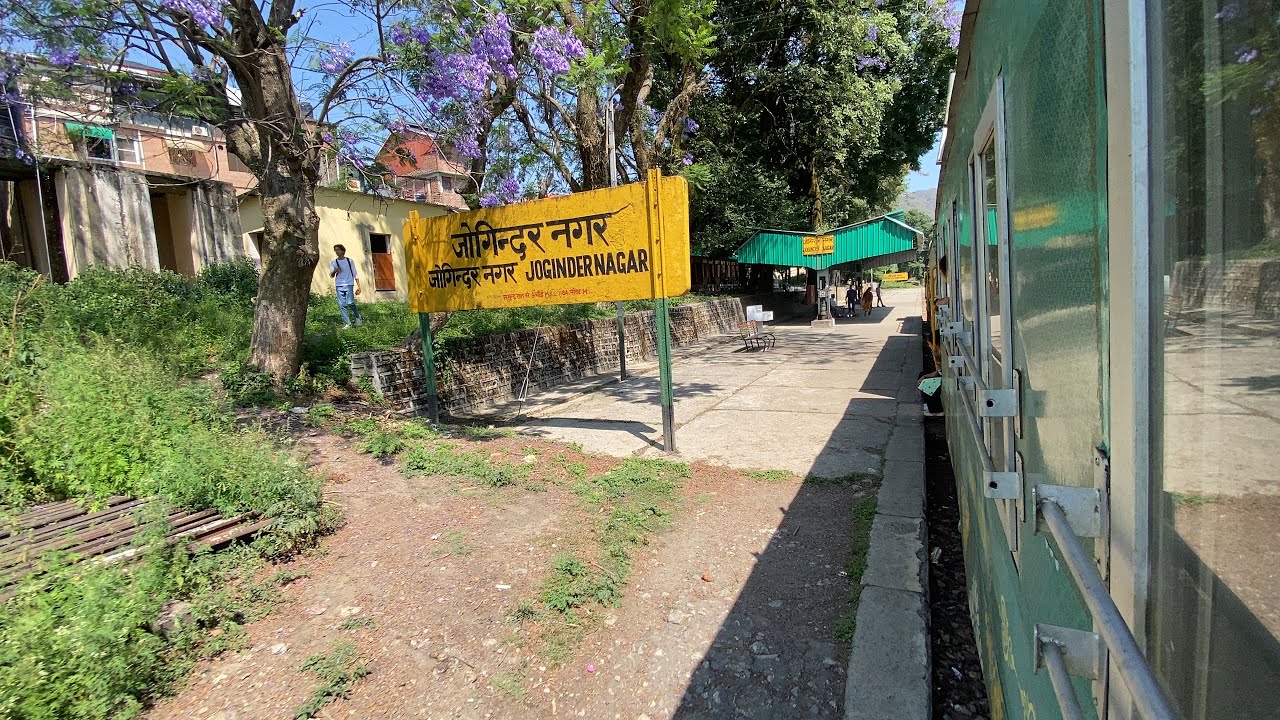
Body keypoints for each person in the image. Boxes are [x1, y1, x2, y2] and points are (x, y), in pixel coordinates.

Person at [329, 244, 364, 329]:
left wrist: (359, 287)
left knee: (350, 302)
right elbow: (331, 275)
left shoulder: (349, 261)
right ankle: (347, 323)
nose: (337, 251)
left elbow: (355, 274)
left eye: (338, 250)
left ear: (343, 251)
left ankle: (358, 317)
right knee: (341, 304)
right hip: (339, 285)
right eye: (335, 250)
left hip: (349, 284)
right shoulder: (334, 262)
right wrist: (335, 271)